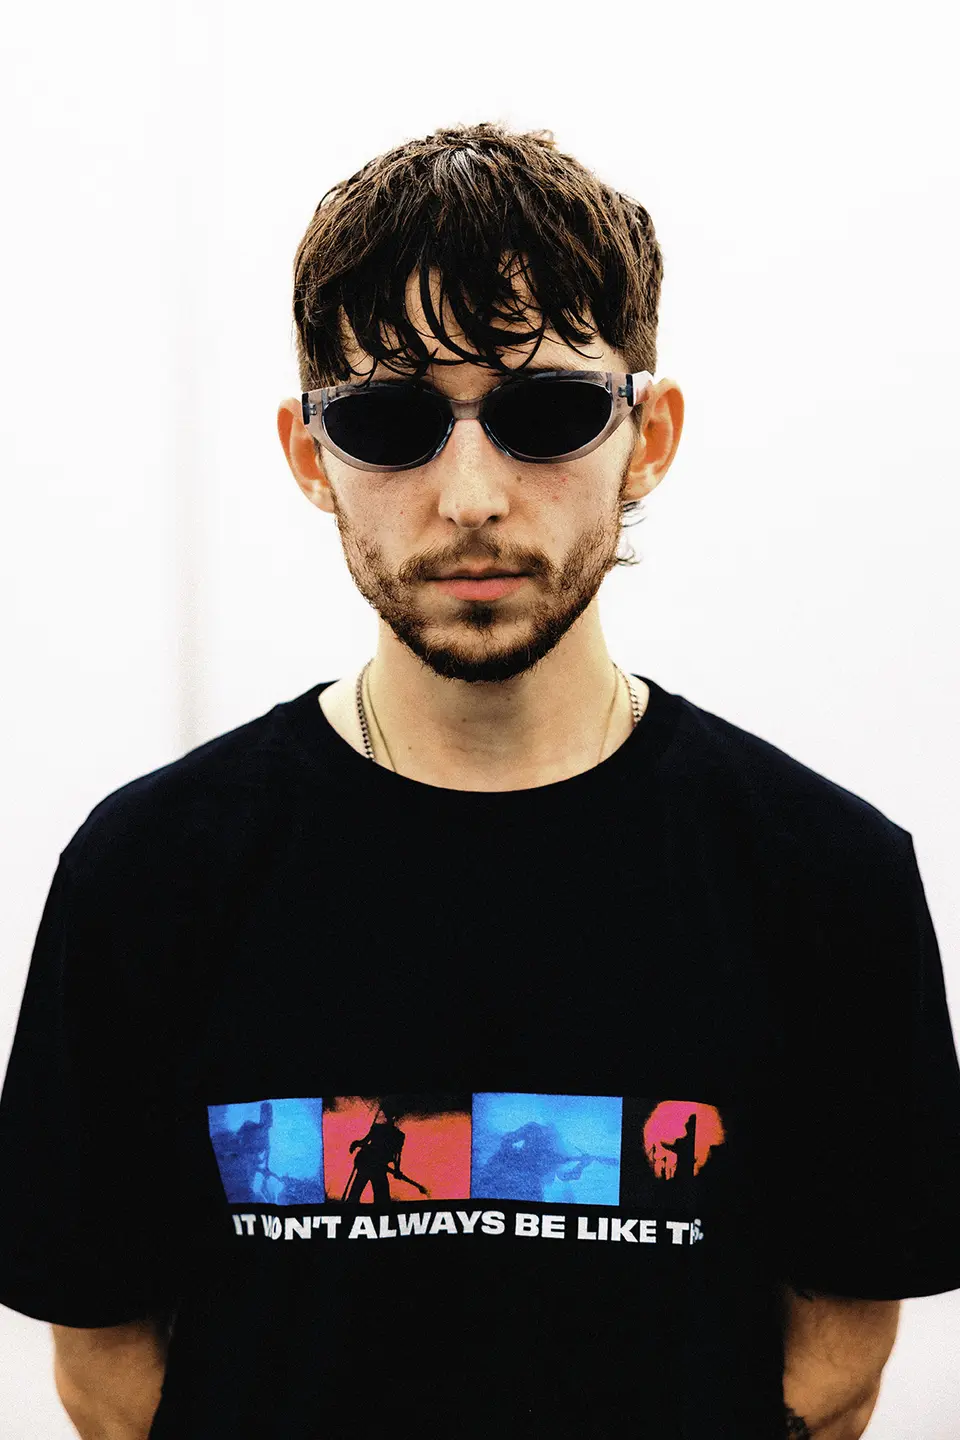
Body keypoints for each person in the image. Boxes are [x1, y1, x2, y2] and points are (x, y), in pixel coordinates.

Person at [0, 119, 958, 1440]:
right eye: (389, 421)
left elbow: (835, 1368)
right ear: (309, 455)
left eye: (546, 412)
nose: (471, 498)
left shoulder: (827, 880)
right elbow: (106, 1374)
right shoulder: (146, 875)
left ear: (649, 435)